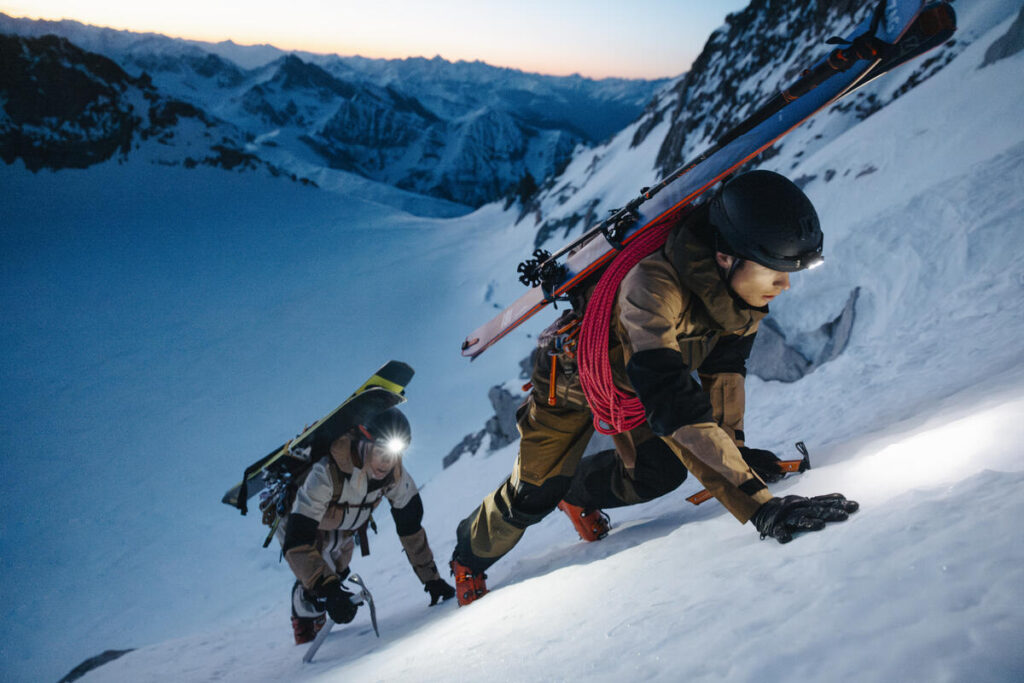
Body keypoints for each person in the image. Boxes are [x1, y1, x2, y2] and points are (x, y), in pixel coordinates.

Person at [450, 170, 858, 605]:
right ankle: (468, 558)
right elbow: (673, 403)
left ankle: (573, 492)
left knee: (658, 474)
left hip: (637, 382)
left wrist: (735, 456)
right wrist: (760, 507)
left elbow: (724, 372)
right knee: (534, 493)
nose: (785, 284)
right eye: (774, 271)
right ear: (725, 257)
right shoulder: (651, 289)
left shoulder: (739, 293)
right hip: (569, 383)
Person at [280, 406, 455, 643]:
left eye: (394, 453)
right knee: (317, 592)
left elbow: (410, 527)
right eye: (380, 451)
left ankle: (320, 596)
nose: (387, 461)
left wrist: (431, 579)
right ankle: (303, 614)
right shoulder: (326, 473)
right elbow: (297, 541)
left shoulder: (395, 476)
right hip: (300, 528)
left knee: (338, 573)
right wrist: (328, 591)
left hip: (344, 529)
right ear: (364, 443)